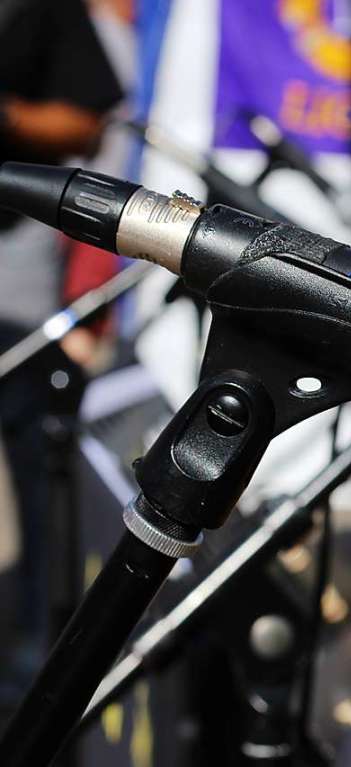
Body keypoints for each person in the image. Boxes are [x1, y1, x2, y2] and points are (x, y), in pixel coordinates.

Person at [0, 0, 123, 685]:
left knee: (37, 453)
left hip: (14, 273)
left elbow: (85, 123)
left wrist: (8, 117)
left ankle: (38, 652)